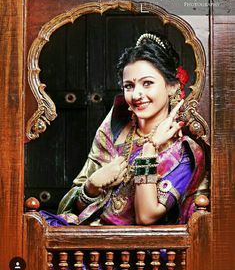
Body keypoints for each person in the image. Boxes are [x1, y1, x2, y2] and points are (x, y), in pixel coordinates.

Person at [40, 32, 205, 227]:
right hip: (87, 239)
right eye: (129, 86)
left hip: (137, 251)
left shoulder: (184, 152)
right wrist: (90, 187)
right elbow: (72, 210)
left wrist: (149, 149)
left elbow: (146, 217)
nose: (137, 94)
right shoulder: (113, 130)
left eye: (147, 83)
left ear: (172, 87)